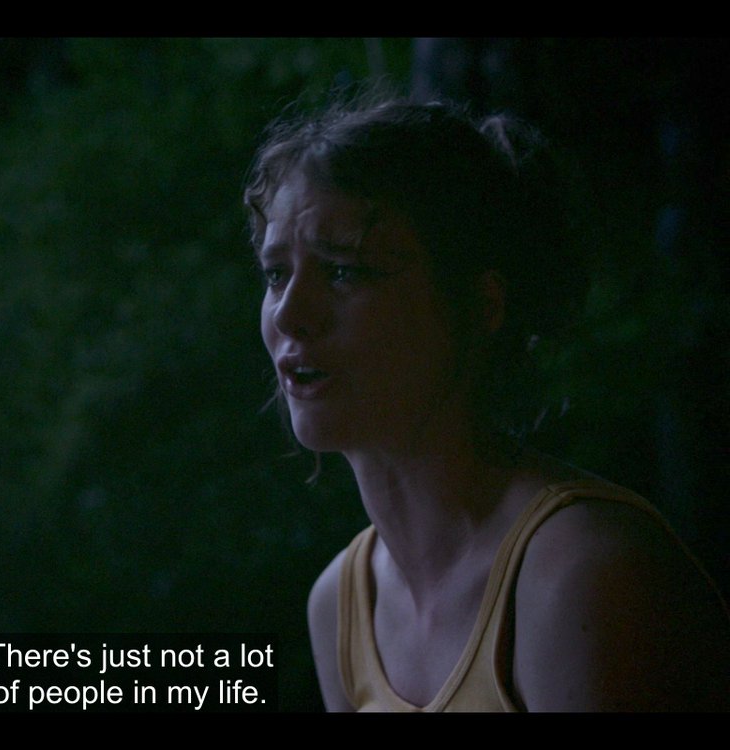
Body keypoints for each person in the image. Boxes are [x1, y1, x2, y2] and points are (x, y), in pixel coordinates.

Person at [244, 97, 730, 711]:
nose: (290, 314)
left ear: (481, 308)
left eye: (344, 272)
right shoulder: (339, 604)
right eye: (276, 274)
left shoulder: (580, 573)